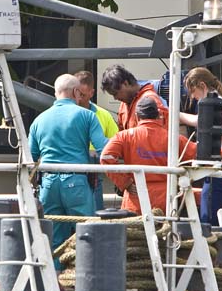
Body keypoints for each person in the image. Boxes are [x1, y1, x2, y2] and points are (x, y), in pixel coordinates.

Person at [100, 96, 222, 214]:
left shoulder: (125, 137)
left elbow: (106, 158)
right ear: (158, 116)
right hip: (167, 201)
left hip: (136, 200)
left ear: (138, 117)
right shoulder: (173, 139)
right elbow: (204, 154)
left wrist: (125, 183)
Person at [28, 74, 108, 250]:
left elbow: (30, 157)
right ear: (75, 92)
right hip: (77, 182)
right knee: (88, 235)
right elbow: (104, 150)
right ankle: (85, 276)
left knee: (53, 239)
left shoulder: (38, 120)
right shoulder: (88, 116)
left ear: (56, 93)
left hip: (48, 184)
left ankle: (54, 276)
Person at [184, 67, 222, 224]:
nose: (193, 97)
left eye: (193, 91)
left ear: (202, 86)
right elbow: (201, 121)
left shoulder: (219, 110)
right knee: (219, 215)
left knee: (209, 219)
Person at [74, 70, 119, 211]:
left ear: (91, 93)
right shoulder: (66, 114)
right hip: (71, 173)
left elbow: (116, 144)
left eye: (82, 94)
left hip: (94, 175)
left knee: (96, 214)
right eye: (76, 94)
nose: (78, 98)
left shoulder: (103, 115)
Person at [101, 64, 168, 130]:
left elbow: (157, 134)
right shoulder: (123, 104)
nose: (115, 98)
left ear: (125, 83)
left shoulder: (150, 99)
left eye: (115, 93)